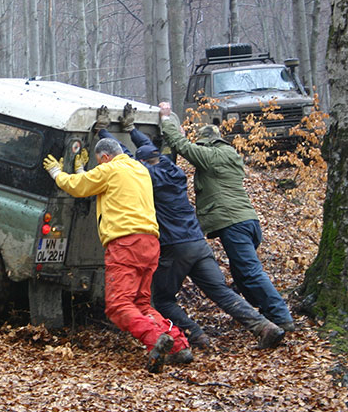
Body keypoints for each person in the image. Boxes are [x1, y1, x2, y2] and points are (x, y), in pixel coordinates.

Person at [99, 108, 285, 349]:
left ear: (142, 163)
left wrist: (103, 132)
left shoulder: (146, 176)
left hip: (175, 247)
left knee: (162, 300)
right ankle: (264, 326)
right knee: (221, 292)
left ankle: (195, 336)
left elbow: (124, 157)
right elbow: (147, 149)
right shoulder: (173, 170)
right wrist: (132, 130)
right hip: (197, 242)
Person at [43, 138, 190, 373]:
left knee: (118, 305)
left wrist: (56, 172)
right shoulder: (139, 169)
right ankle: (179, 345)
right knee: (141, 303)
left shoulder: (109, 170)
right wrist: (83, 169)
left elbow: (78, 186)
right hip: (150, 242)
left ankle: (157, 340)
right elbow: (97, 184)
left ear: (104, 158)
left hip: (125, 243)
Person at [158, 102, 294, 333]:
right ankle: (265, 316)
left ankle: (281, 319)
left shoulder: (212, 157)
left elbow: (182, 147)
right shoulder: (229, 154)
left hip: (234, 224)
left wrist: (167, 121)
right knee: (243, 275)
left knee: (250, 273)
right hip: (247, 220)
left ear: (206, 143)